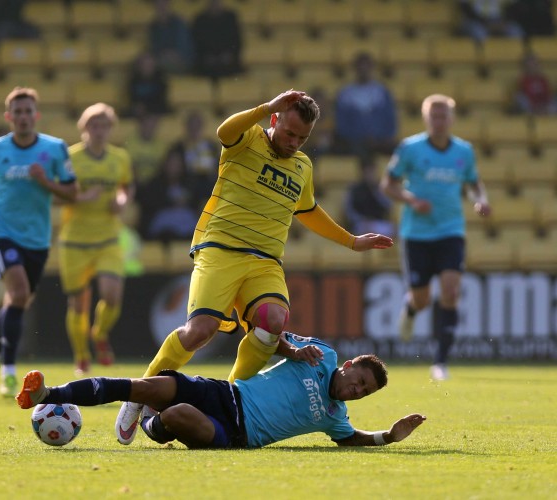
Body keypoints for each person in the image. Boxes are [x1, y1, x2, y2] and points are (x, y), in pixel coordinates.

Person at [114, 90, 395, 445]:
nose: (294, 143)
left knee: (273, 323)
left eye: (302, 138)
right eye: (289, 133)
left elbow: (307, 210)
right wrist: (265, 108)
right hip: (220, 249)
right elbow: (222, 131)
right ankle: (142, 392)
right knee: (200, 331)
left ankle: (229, 399)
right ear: (275, 121)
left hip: (265, 261)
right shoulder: (247, 140)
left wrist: (352, 241)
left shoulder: (303, 166)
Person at [16, 332, 426, 449]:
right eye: (360, 381)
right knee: (145, 385)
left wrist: (388, 435)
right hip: (226, 394)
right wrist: (292, 349)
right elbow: (269, 333)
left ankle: (150, 426)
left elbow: (352, 439)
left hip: (236, 434)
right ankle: (47, 395)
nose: (357, 391)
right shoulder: (322, 354)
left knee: (174, 416)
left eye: (364, 393)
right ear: (350, 364)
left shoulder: (335, 417)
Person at [0, 87, 78, 397]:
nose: (23, 117)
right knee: (18, 294)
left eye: (28, 111)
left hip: (37, 239)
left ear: (36, 115)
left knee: (17, 299)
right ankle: (10, 373)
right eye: (17, 112)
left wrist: (45, 182)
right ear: (9, 117)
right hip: (2, 232)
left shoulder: (55, 149)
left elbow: (72, 192)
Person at [380, 94, 492, 382]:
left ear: (451, 119)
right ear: (426, 119)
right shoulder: (410, 148)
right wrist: (411, 200)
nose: (439, 122)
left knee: (451, 292)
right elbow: (388, 184)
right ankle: (410, 306)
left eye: (444, 117)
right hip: (417, 234)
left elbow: (474, 184)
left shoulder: (463, 152)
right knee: (423, 299)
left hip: (450, 231)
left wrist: (480, 200)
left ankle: (440, 361)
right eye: (434, 116)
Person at [59, 103, 134, 375]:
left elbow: (126, 186)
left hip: (108, 238)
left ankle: (99, 333)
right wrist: (78, 197)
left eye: (104, 126)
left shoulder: (120, 157)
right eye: (94, 125)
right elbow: (55, 193)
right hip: (75, 241)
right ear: (84, 129)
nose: (99, 131)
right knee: (78, 304)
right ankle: (81, 355)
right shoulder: (70, 157)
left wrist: (122, 200)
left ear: (110, 129)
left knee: (112, 297)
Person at [333, 52, 397, 159]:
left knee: (399, 151)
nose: (363, 70)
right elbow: (341, 124)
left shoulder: (381, 92)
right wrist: (357, 137)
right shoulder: (346, 93)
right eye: (360, 67)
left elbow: (390, 119)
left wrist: (381, 136)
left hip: (380, 140)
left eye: (366, 67)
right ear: (355, 69)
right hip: (354, 141)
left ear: (371, 68)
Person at [344, 156, 396, 238]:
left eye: (372, 171)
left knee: (393, 229)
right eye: (368, 171)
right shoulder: (354, 189)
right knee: (366, 231)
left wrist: (376, 190)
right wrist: (361, 220)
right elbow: (349, 210)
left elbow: (388, 205)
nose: (371, 174)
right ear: (363, 172)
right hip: (361, 223)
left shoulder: (380, 187)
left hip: (378, 222)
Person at [191, 0, 243, 79]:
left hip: (229, 63)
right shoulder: (199, 19)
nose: (215, 4)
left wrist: (229, 55)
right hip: (205, 63)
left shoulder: (231, 18)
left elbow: (237, 42)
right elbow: (196, 44)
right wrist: (206, 57)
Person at [148, 0, 194, 74]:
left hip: (181, 60)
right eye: (158, 4)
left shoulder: (178, 23)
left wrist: (174, 55)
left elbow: (185, 46)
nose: (161, 6)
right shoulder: (153, 26)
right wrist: (163, 54)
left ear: (168, 4)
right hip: (162, 59)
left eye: (163, 3)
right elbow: (154, 47)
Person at [126, 51, 170, 117]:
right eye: (144, 65)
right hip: (137, 111)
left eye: (149, 65)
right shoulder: (133, 81)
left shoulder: (161, 80)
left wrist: (148, 108)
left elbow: (162, 100)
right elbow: (131, 99)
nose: (147, 67)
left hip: (157, 110)